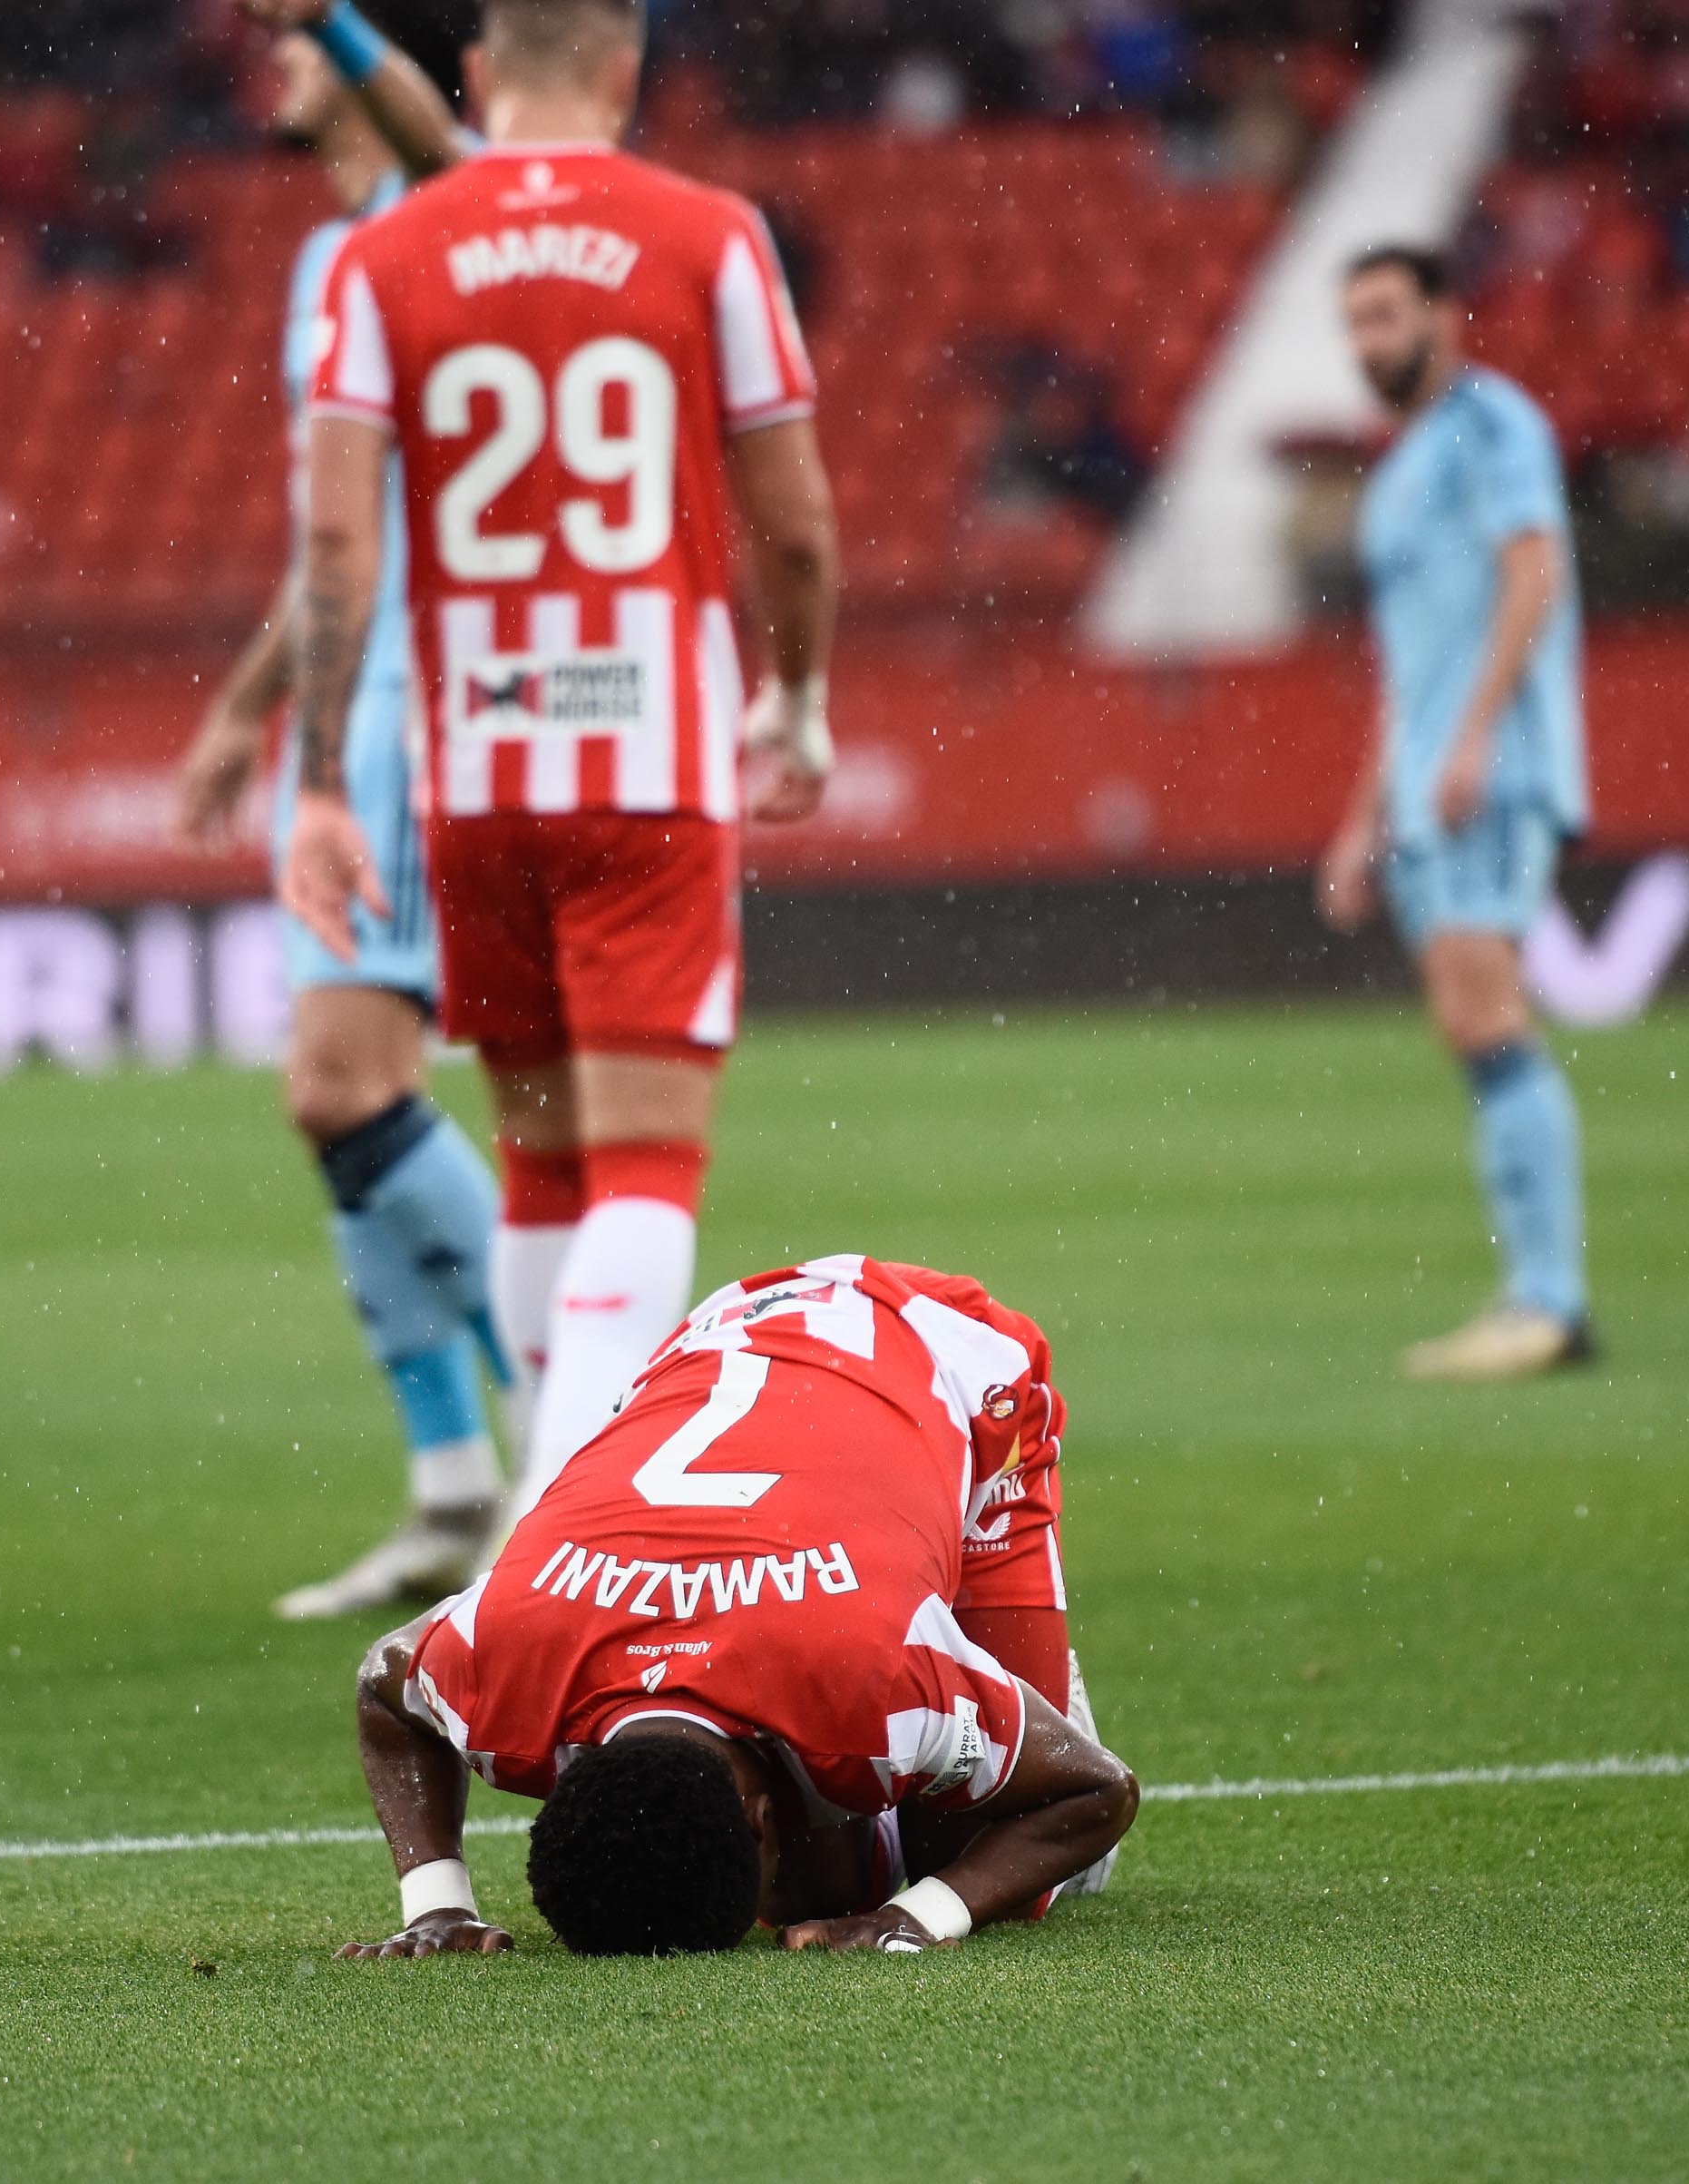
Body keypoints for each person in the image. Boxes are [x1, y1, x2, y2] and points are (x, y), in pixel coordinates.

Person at [283, 0, 842, 1518]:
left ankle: (534, 1508)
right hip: (646, 766)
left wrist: (325, 776)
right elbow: (790, 520)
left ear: (477, 74)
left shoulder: (379, 257)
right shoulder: (708, 235)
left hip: (475, 774)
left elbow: (337, 535)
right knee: (648, 1168)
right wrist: (797, 698)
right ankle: (561, 1524)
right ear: (626, 71)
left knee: (540, 1161)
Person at [340, 1256, 1137, 1956]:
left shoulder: (874, 1674)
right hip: (721, 1345)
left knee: (978, 1875)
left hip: (949, 1358)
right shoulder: (502, 1658)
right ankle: (933, 1749)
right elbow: (384, 1679)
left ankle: (1020, 1699)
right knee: (829, 1876)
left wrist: (924, 1914)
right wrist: (435, 1906)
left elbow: (1098, 1791)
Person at [175, 0, 507, 1622]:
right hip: (345, 694)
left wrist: (339, 17)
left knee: (340, 1084)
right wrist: (254, 705)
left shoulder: (451, 223)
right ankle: (453, 1480)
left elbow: (457, 154)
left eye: (310, 43)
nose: (280, 61)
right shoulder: (327, 266)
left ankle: (595, 1441)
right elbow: (336, 531)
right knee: (335, 1103)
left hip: (419, 704)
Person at [1317, 244, 1596, 1383]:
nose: (1371, 340)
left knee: (1485, 1018)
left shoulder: (1494, 426)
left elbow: (1535, 575)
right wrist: (1358, 818)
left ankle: (1549, 1302)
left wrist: (1478, 732)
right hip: (1429, 783)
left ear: (1445, 313)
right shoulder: (1400, 469)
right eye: (1356, 323)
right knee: (1468, 1026)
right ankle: (1538, 1296)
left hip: (1489, 769)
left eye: (1388, 314)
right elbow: (1406, 670)